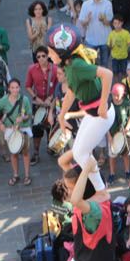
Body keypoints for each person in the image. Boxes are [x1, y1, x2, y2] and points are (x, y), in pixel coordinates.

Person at [49, 24, 115, 191]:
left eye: (51, 52)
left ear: (61, 53)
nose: (49, 56)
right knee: (78, 151)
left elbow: (107, 74)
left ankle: (101, 190)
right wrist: (61, 115)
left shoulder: (76, 66)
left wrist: (102, 103)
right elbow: (71, 92)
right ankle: (91, 184)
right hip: (91, 114)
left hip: (101, 114)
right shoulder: (68, 66)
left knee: (80, 153)